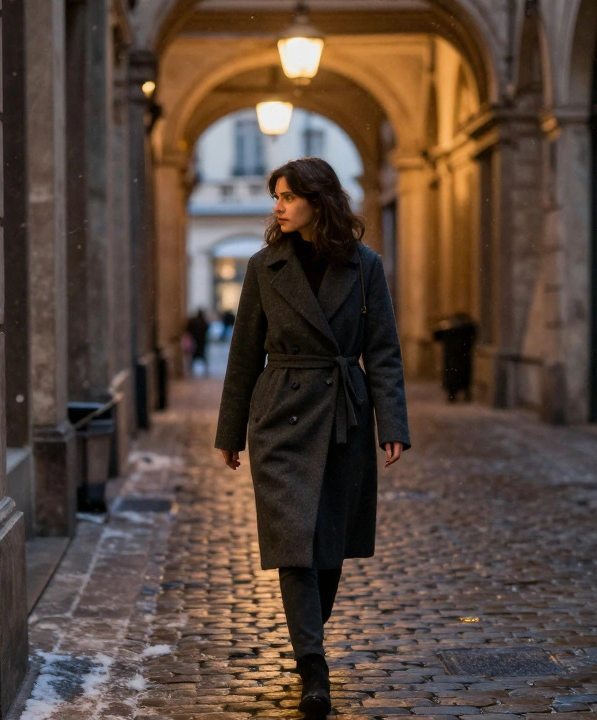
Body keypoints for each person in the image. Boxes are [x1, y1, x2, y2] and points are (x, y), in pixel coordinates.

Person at [214, 157, 409, 718]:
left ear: (317, 201)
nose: (277, 206)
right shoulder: (262, 266)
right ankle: (313, 667)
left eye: (287, 196)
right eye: (275, 196)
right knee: (294, 542)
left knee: (327, 547)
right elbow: (244, 354)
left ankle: (308, 635)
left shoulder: (364, 265)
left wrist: (393, 422)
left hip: (344, 409)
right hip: (281, 414)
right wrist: (231, 431)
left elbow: (385, 349)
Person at [185, 308, 210, 375]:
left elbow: (188, 329)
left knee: (194, 356)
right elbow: (207, 328)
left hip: (195, 341)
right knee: (202, 356)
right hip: (201, 342)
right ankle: (205, 370)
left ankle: (191, 370)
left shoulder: (193, 321)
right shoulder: (202, 321)